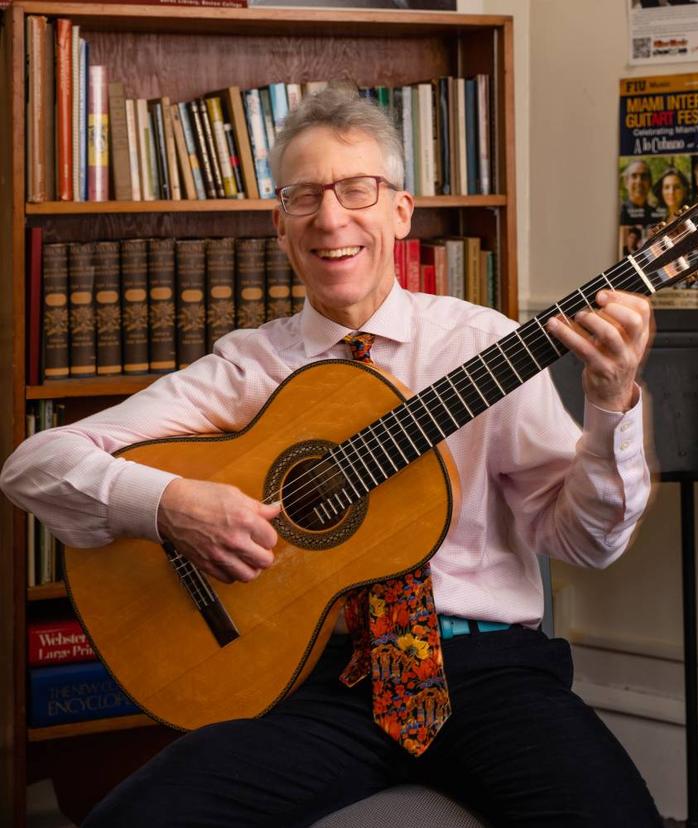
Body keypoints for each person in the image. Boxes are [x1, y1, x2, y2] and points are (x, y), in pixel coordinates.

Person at [1, 89, 661, 827]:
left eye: (358, 189)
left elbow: (589, 543)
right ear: (280, 227)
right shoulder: (249, 368)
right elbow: (34, 463)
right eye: (303, 196)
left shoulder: (483, 346)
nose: (331, 217)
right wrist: (170, 507)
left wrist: (612, 404)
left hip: (487, 674)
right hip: (319, 684)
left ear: (401, 213)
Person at [619, 158, 663, 224]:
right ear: (626, 182)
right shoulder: (618, 214)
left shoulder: (657, 216)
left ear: (650, 182)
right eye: (634, 176)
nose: (639, 181)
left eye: (644, 176)